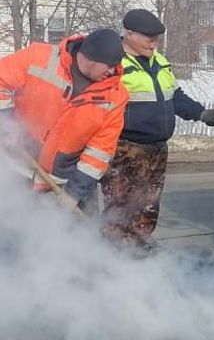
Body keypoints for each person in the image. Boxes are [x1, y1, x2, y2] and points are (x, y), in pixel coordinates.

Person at [100, 9, 214, 249]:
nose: (154, 45)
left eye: (157, 39)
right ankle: (113, 259)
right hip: (125, 150)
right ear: (129, 34)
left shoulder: (159, 61)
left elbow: (175, 97)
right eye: (149, 39)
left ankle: (141, 251)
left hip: (157, 149)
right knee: (120, 208)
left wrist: (201, 113)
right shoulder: (113, 63)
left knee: (148, 206)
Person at [0, 29, 127, 208]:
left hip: (62, 182)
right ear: (89, 56)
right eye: (109, 65)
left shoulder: (115, 96)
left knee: (70, 234)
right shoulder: (39, 57)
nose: (113, 71)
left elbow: (99, 152)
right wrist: (8, 126)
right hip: (14, 171)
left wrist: (74, 193)